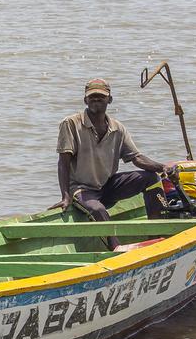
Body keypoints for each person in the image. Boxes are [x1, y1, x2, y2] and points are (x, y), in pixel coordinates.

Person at [57, 78, 172, 240]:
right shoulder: (70, 124)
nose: (96, 99)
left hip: (108, 185)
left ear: (109, 99)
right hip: (82, 189)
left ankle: (157, 235)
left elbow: (137, 158)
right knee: (98, 210)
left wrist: (163, 168)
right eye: (92, 97)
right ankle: (116, 248)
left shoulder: (117, 128)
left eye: (101, 96)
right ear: (85, 100)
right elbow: (63, 162)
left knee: (151, 178)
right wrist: (65, 196)